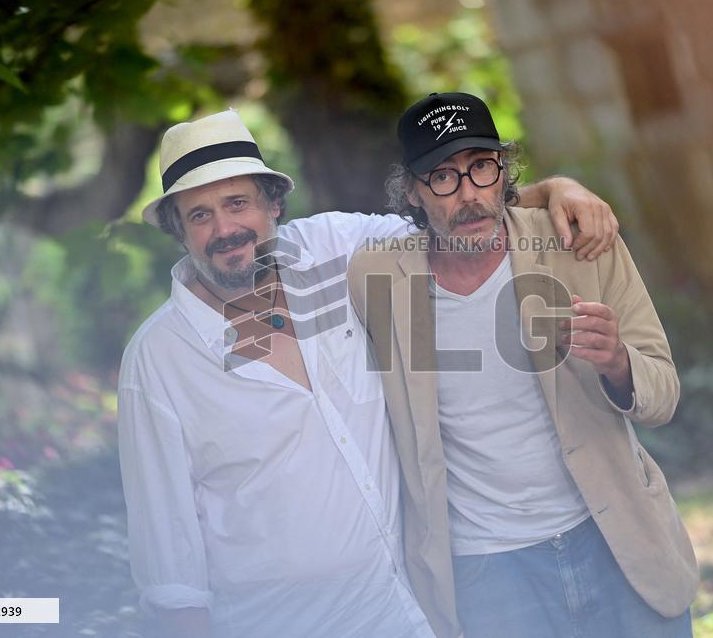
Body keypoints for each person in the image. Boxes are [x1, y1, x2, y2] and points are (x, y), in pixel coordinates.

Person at [117, 107, 620, 637]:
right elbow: (170, 568)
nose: (225, 229)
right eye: (199, 215)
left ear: (274, 204)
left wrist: (559, 189)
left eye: (237, 203)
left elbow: (452, 211)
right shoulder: (158, 358)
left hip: (410, 611)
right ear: (178, 229)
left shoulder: (338, 250)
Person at [347, 92, 698, 638]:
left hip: (616, 539)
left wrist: (619, 363)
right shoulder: (379, 278)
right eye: (442, 176)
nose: (467, 194)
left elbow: (664, 393)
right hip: (488, 572)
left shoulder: (577, 245)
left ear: (502, 170)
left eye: (480, 168)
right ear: (413, 191)